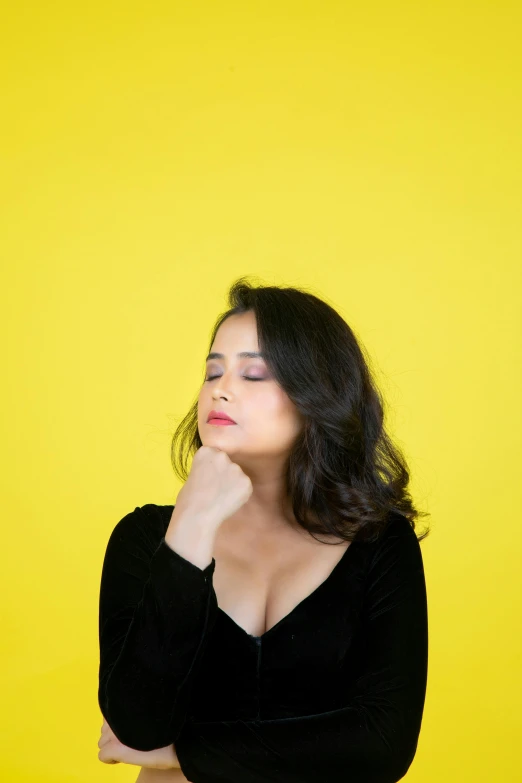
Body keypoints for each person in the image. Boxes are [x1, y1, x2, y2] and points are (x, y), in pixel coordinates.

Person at [97, 277, 430, 782]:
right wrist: (189, 532)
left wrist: (182, 753)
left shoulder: (380, 543)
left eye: (254, 374)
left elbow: (381, 744)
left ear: (317, 395)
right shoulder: (145, 539)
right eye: (213, 372)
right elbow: (138, 726)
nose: (222, 389)